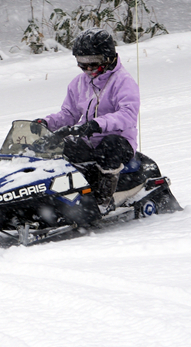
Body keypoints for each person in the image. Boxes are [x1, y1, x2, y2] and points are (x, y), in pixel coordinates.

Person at [35, 28, 139, 212]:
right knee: (60, 147)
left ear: (108, 59)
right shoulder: (78, 83)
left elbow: (128, 114)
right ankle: (58, 197)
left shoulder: (123, 81)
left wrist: (97, 124)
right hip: (88, 140)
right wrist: (46, 124)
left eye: (94, 64)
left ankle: (103, 199)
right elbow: (68, 114)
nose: (89, 69)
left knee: (110, 145)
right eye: (82, 64)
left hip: (119, 141)